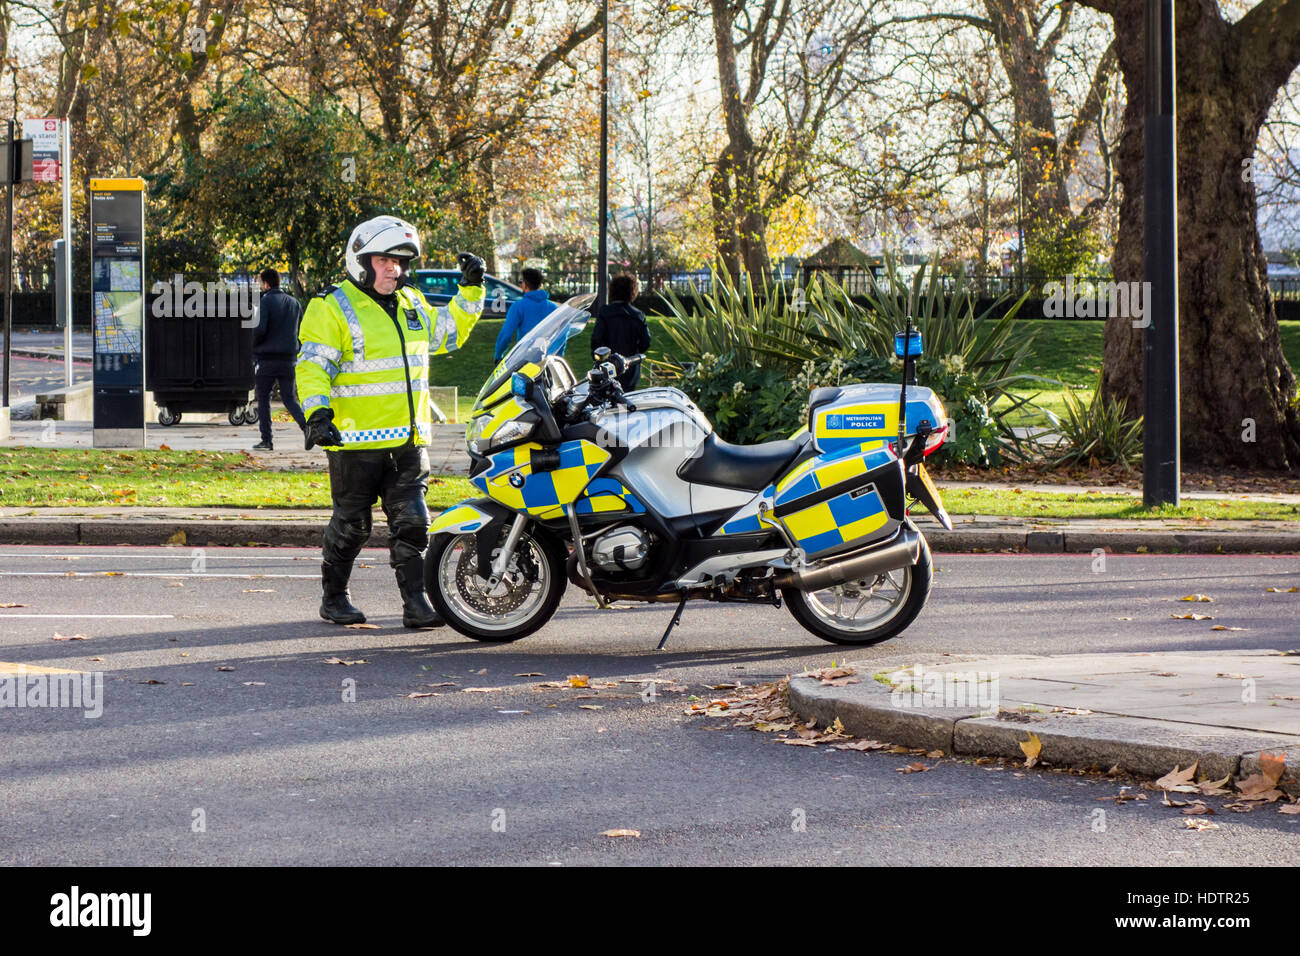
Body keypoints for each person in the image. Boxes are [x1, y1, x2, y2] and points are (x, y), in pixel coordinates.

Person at [296, 215, 485, 628]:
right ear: (361, 260)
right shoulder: (331, 306)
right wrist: (317, 414)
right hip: (354, 444)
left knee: (415, 524)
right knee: (352, 527)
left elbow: (449, 333)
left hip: (408, 443)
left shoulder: (413, 303)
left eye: (399, 262)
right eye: (383, 260)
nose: (393, 269)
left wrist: (471, 289)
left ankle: (416, 605)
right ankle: (334, 598)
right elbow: (312, 367)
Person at [251, 268, 307, 451]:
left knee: (264, 399)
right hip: (289, 359)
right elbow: (299, 331)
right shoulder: (295, 303)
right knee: (290, 398)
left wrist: (254, 347)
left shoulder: (265, 302)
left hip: (267, 359)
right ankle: (307, 429)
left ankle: (267, 440)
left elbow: (259, 330)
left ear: (266, 283)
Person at [590, 274, 651, 390]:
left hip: (608, 366)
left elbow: (596, 339)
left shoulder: (605, 312)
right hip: (631, 367)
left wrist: (597, 357)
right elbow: (646, 342)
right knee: (627, 401)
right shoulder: (638, 315)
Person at [493, 267, 556, 361]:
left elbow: (506, 334)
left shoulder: (518, 306)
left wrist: (498, 355)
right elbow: (562, 334)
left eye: (521, 282)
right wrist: (556, 355)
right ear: (540, 285)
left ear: (525, 284)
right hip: (548, 360)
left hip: (525, 359)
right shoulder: (553, 308)